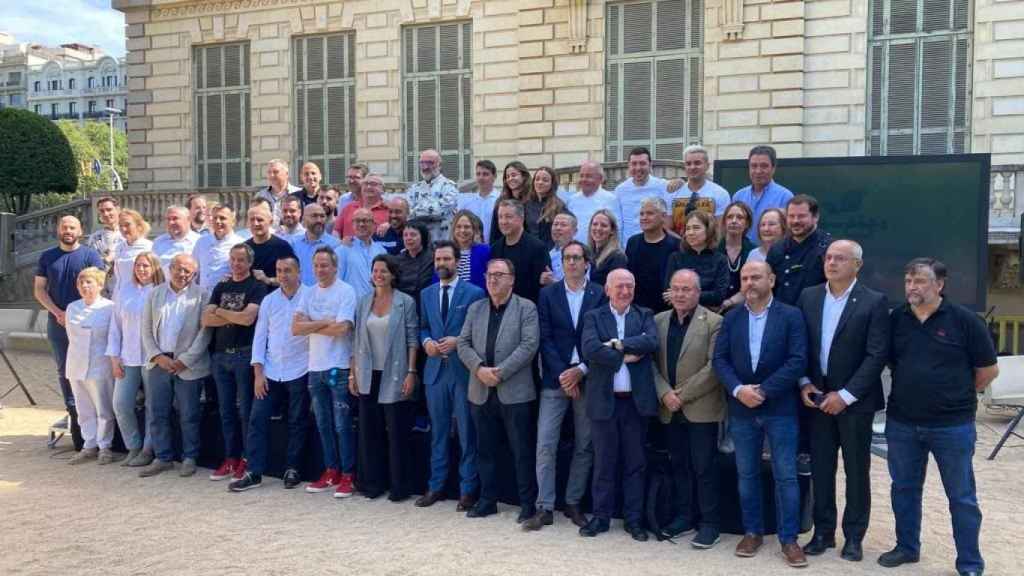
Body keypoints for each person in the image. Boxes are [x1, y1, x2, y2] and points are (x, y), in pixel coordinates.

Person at [880, 258, 998, 576]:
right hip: (903, 423)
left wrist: (955, 395)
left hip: (952, 426)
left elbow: (988, 370)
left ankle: (970, 562)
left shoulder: (965, 321)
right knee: (903, 488)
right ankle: (907, 548)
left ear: (939, 285)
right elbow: (892, 362)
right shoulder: (896, 320)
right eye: (908, 280)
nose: (912, 287)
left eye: (919, 280)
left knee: (961, 497)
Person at [797, 240, 890, 562]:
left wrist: (846, 395)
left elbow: (877, 354)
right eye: (829, 257)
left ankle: (853, 537)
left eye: (840, 258)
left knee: (856, 471)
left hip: (855, 402)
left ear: (857, 265)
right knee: (822, 469)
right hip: (817, 399)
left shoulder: (874, 302)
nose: (831, 263)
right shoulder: (809, 296)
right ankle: (823, 532)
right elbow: (801, 346)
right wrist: (805, 382)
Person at [712, 260, 808, 568]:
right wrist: (740, 390)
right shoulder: (732, 318)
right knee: (747, 474)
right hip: (742, 407)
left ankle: (789, 539)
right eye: (744, 278)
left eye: (756, 277)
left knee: (786, 476)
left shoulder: (791, 316)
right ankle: (752, 532)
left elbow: (797, 361)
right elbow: (720, 360)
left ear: (772, 279)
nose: (750, 282)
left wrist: (763, 391)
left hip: (779, 408)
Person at [528, 240, 605, 531]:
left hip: (587, 377)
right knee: (545, 443)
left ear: (587, 262)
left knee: (585, 444)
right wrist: (564, 374)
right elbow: (544, 338)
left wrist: (580, 371)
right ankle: (544, 506)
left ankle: (573, 502)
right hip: (554, 379)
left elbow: (600, 337)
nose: (571, 262)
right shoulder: (548, 294)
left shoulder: (599, 294)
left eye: (576, 257)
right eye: (566, 258)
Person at [456, 258, 540, 522]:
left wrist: (499, 373)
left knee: (521, 450)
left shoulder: (526, 308)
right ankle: (488, 500)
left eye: (499, 275)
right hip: (480, 389)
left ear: (512, 279)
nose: (493, 280)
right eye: (490, 275)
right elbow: (462, 343)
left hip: (514, 391)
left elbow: (529, 346)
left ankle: (527, 503)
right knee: (485, 450)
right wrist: (480, 369)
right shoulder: (476, 308)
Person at [579, 268, 659, 541]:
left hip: (635, 404)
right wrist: (624, 356)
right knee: (603, 463)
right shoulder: (593, 316)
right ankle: (601, 517)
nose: (625, 291)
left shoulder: (645, 315)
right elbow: (590, 348)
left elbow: (651, 341)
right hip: (604, 401)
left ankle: (633, 520)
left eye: (630, 286)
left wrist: (615, 345)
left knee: (635, 463)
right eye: (620, 286)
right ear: (607, 290)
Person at [653, 269, 725, 549]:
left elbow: (714, 367)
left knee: (704, 467)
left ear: (697, 293)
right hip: (669, 408)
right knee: (679, 464)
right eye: (676, 289)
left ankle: (710, 524)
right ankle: (684, 516)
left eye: (687, 289)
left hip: (700, 408)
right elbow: (649, 364)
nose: (681, 294)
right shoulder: (658, 321)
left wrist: (680, 395)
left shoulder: (715, 323)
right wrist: (664, 394)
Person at [229, 255, 311, 492]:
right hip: (271, 371)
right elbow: (260, 338)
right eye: (279, 270)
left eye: (288, 270)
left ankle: (292, 468)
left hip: (300, 369)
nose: (283, 275)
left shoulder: (310, 297)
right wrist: (258, 373)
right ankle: (254, 471)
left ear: (298, 272)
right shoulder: (269, 300)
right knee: (257, 420)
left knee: (297, 421)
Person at [416, 240, 486, 510]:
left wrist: (459, 341)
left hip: (463, 371)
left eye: (446, 259)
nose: (441, 264)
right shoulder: (427, 294)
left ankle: (467, 490)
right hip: (435, 372)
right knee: (439, 432)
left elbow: (478, 330)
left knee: (467, 433)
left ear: (457, 262)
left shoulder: (474, 293)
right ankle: (436, 487)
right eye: (438, 260)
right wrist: (426, 343)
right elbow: (422, 328)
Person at [351, 255, 420, 501]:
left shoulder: (406, 302)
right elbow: (357, 339)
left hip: (396, 373)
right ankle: (372, 484)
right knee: (370, 432)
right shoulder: (363, 302)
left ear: (393, 274)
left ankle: (399, 486)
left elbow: (413, 340)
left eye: (383, 271)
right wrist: (353, 373)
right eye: (375, 270)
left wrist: (411, 373)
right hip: (368, 373)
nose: (378, 275)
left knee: (397, 433)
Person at [292, 247, 358, 498]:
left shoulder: (346, 291)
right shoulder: (308, 293)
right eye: (316, 265)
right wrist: (324, 322)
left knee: (342, 425)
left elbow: (342, 329)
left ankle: (348, 474)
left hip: (338, 366)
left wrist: (312, 326)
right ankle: (331, 470)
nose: (320, 270)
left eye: (325, 265)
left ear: (334, 266)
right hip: (315, 367)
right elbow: (296, 328)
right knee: (323, 424)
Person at [34, 216, 105, 451]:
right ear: (58, 230)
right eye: (64, 227)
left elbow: (97, 284)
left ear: (80, 230)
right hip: (58, 322)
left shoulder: (90, 256)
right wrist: (57, 312)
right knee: (65, 369)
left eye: (72, 227)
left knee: (93, 367)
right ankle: (75, 417)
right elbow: (39, 289)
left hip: (86, 322)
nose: (68, 230)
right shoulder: (47, 257)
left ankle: (101, 429)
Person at [138, 254, 211, 478]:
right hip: (159, 362)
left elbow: (205, 332)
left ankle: (189, 457)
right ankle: (163, 457)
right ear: (170, 269)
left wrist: (184, 360)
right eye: (178, 269)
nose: (182, 275)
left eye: (188, 271)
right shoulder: (155, 294)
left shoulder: (203, 296)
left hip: (188, 365)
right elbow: (146, 330)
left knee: (188, 413)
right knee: (157, 412)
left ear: (194, 273)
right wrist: (157, 356)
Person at [203, 244, 268, 482]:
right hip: (220, 356)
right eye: (233, 259)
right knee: (226, 411)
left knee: (245, 412)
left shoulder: (257, 287)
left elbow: (248, 318)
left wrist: (220, 311)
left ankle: (247, 459)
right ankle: (230, 458)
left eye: (241, 260)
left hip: (244, 355)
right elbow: (206, 319)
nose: (236, 264)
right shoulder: (221, 286)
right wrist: (232, 316)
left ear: (250, 263)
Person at [106, 252, 164, 467]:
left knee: (152, 405)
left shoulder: (160, 292)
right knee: (120, 403)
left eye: (146, 266)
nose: (141, 270)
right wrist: (114, 357)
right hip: (128, 356)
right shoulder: (124, 292)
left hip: (152, 358)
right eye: (138, 266)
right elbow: (115, 327)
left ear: (155, 268)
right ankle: (133, 446)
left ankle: (148, 449)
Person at [64, 267, 116, 465]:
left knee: (103, 408)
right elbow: (71, 336)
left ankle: (105, 446)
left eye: (89, 282)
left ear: (100, 285)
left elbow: (113, 337)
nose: (85, 286)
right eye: (81, 283)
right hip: (76, 364)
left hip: (100, 364)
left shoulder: (110, 307)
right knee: (83, 408)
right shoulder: (72, 307)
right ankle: (89, 444)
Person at [767, 195, 832, 306]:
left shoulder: (829, 248)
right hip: (781, 316)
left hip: (813, 317)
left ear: (815, 217)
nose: (795, 221)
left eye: (801, 216)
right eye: (791, 216)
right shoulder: (777, 249)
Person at [663, 210, 731, 310]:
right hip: (679, 313)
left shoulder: (720, 260)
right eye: (688, 229)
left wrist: (683, 295)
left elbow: (719, 296)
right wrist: (704, 295)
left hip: (709, 316)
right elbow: (668, 295)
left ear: (709, 230)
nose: (690, 233)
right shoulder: (675, 258)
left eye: (696, 228)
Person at [489, 199, 551, 303]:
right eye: (500, 217)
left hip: (528, 310)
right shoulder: (495, 248)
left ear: (521, 219)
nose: (503, 221)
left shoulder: (538, 248)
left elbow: (542, 287)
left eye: (508, 217)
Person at [732, 145, 794, 245]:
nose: (758, 171)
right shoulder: (738, 196)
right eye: (754, 166)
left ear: (773, 168)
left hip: (773, 254)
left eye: (764, 166)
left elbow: (789, 233)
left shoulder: (785, 197)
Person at [625, 197, 677, 314]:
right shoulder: (632, 243)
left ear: (663, 216)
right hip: (636, 311)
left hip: (665, 312)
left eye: (650, 213)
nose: (644, 217)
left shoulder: (675, 246)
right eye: (641, 214)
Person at [665, 145, 732, 226]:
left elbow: (720, 229)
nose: (692, 167)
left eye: (697, 163)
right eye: (688, 164)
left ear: (707, 166)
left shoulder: (720, 193)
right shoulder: (673, 193)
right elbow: (667, 228)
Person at [615, 146, 668, 243]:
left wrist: (680, 181)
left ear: (650, 165)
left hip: (657, 244)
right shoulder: (620, 190)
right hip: (628, 248)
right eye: (634, 164)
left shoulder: (662, 186)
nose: (638, 168)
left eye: (642, 163)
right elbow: (617, 223)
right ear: (629, 166)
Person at [406, 149, 459, 242]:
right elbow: (408, 213)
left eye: (430, 163)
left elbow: (439, 211)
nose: (425, 167)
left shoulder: (450, 186)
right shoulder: (414, 188)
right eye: (422, 163)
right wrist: (431, 208)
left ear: (439, 165)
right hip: (420, 244)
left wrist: (418, 210)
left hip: (443, 242)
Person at [336, 207, 387, 299]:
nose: (361, 224)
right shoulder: (342, 250)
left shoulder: (381, 251)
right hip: (352, 307)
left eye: (365, 221)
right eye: (357, 221)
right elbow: (337, 281)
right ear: (352, 224)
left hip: (375, 306)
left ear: (373, 224)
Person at [192, 205, 244, 292]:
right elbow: (194, 270)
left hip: (228, 295)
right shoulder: (201, 242)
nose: (218, 221)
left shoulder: (241, 244)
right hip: (202, 296)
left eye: (222, 218)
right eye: (215, 218)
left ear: (233, 221)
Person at [567, 160, 619, 244]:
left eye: (588, 176)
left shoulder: (611, 199)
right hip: (576, 251)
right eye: (581, 176)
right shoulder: (572, 200)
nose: (584, 179)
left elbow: (617, 228)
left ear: (600, 179)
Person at [244, 203, 295, 288]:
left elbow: (293, 278)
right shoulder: (244, 248)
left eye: (260, 220)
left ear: (270, 222)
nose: (255, 223)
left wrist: (268, 280)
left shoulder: (282, 247)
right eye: (252, 220)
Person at [290, 203, 341, 286]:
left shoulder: (335, 245)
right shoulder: (294, 243)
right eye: (314, 216)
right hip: (299, 296)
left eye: (322, 216)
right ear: (303, 219)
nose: (319, 220)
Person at [490, 161, 540, 244]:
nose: (510, 179)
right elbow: (495, 232)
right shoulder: (500, 202)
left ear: (524, 176)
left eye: (514, 175)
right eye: (507, 176)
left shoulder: (534, 200)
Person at [719, 201, 756, 311]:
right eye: (730, 217)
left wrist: (729, 302)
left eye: (740, 217)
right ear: (724, 222)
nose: (734, 221)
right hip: (715, 309)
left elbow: (753, 286)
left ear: (747, 223)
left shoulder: (754, 252)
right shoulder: (713, 250)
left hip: (747, 308)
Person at [111, 209, 153, 301]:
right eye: (120, 225)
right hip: (118, 296)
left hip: (138, 298)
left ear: (139, 226)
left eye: (127, 225)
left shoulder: (149, 247)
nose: (123, 229)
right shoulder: (119, 248)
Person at [335, 173, 389, 238]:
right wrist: (339, 244)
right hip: (349, 247)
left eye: (373, 184)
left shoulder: (389, 210)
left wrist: (390, 225)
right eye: (365, 184)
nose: (368, 187)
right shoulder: (349, 208)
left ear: (382, 189)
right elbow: (336, 230)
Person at [457, 159, 499, 242]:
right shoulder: (467, 201)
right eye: (478, 174)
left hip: (494, 246)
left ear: (494, 177)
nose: (481, 177)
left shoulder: (500, 199)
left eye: (485, 174)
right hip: (472, 247)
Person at [395, 220, 434, 307]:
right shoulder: (396, 260)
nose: (408, 238)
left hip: (426, 305)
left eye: (413, 235)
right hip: (404, 307)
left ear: (422, 237)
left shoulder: (433, 257)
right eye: (405, 235)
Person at [152, 205, 200, 275]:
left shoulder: (199, 241)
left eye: (175, 218)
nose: (171, 222)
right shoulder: (158, 242)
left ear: (188, 220)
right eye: (168, 219)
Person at [255, 158, 303, 226]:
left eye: (275, 172)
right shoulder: (260, 196)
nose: (271, 175)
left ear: (286, 174)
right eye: (269, 172)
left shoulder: (299, 193)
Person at [586, 209, 627, 287]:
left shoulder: (617, 257)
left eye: (604, 225)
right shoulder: (590, 254)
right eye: (595, 224)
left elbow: (617, 290)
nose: (598, 228)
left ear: (612, 231)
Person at [449, 210, 490, 289]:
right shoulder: (446, 251)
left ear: (474, 230)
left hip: (477, 300)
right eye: (458, 227)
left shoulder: (484, 251)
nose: (462, 230)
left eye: (467, 227)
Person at [84, 196, 122, 278]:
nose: (106, 214)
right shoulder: (94, 238)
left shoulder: (128, 234)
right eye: (102, 211)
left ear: (118, 210)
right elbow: (90, 264)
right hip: (103, 285)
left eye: (109, 209)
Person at [532, 166, 567, 248]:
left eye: (545, 180)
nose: (540, 182)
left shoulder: (559, 206)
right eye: (537, 179)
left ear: (552, 184)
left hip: (549, 251)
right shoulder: (527, 204)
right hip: (530, 251)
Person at [544, 212, 578, 284]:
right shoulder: (548, 253)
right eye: (555, 224)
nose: (558, 228)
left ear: (575, 231)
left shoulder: (580, 254)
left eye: (563, 225)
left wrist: (553, 282)